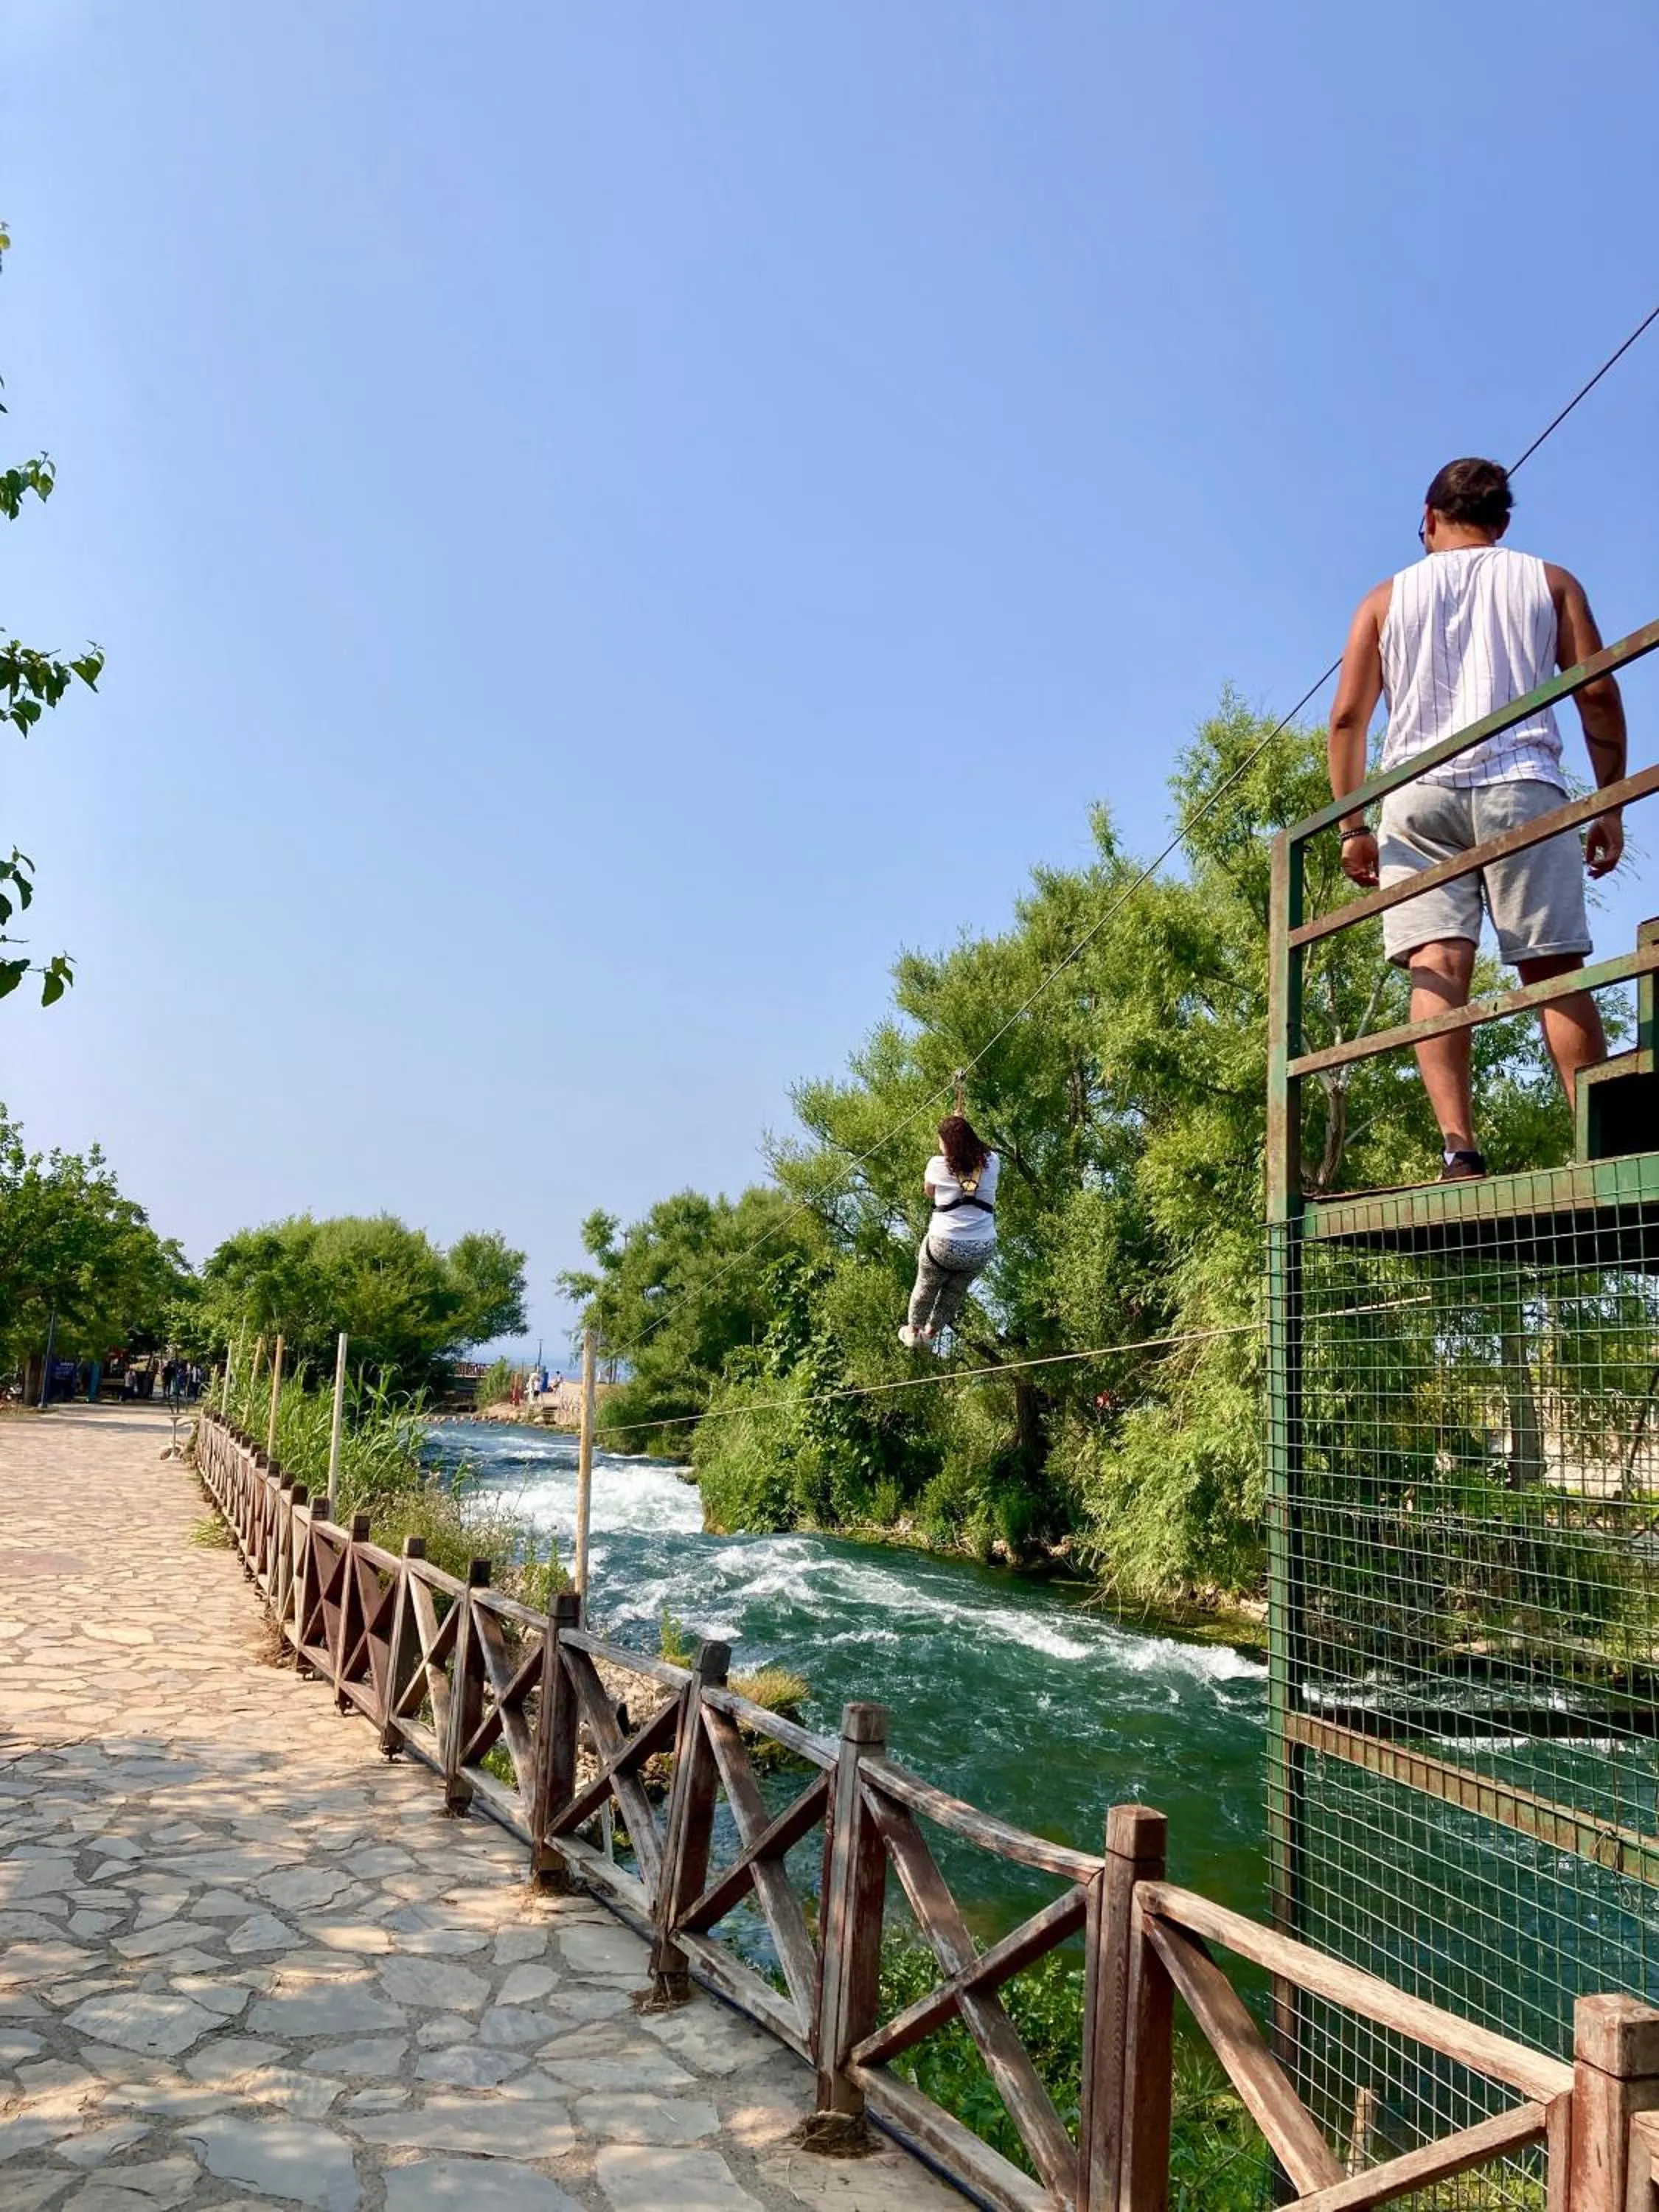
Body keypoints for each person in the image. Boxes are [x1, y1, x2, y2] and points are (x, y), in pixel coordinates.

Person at [1327, 456, 1628, 1181]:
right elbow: (1596, 694)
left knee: (1437, 964)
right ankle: (1605, 1147)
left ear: (1429, 520)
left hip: (1416, 796)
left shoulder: (1383, 599)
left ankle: (1459, 1149)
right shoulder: (1550, 581)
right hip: (1521, 788)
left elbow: (1347, 720)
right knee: (1551, 964)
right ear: (1502, 523)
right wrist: (1610, 799)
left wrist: (1353, 827)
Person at [899, 1113, 1000, 1350]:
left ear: (948, 1145)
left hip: (944, 1245)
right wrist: (959, 1126)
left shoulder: (937, 1165)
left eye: (942, 1141)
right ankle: (932, 1333)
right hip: (981, 1248)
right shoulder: (993, 1161)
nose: (939, 1146)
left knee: (926, 1285)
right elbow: (971, 1157)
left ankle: (913, 1331)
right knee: (954, 1292)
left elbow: (929, 1192)